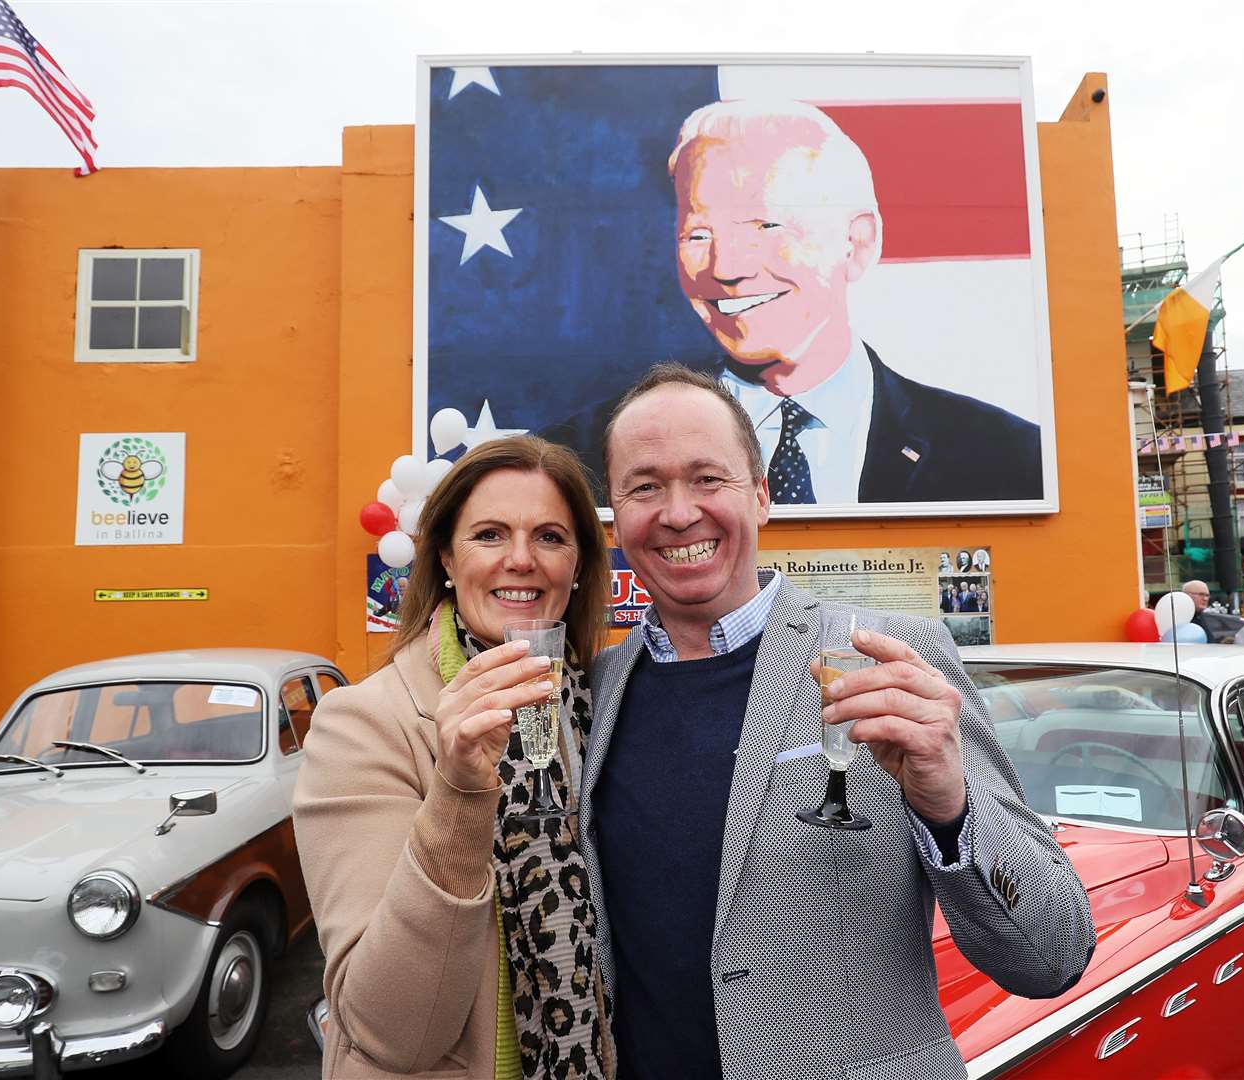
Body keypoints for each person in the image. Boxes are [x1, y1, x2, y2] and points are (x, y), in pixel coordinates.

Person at [583, 363, 1094, 1079]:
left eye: (708, 478)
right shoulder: (595, 693)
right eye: (645, 486)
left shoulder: (887, 660)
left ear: (760, 495)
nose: (676, 513)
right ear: (615, 509)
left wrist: (949, 802)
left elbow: (1054, 954)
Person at [294, 437, 614, 1080]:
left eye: (550, 537)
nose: (520, 560)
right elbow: (390, 1033)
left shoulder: (598, 705)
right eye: (490, 535)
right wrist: (460, 792)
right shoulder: (362, 725)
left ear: (577, 564)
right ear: (444, 557)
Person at [540, 100, 1043, 506]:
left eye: (765, 226)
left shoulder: (1008, 455)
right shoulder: (579, 459)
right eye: (698, 234)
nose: (726, 267)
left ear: (857, 242)